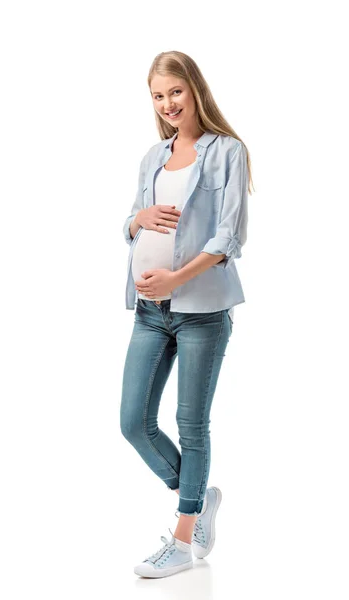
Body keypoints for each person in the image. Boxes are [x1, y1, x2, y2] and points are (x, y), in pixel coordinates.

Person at [120, 50, 254, 579]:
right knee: (133, 422)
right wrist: (137, 221)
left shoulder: (228, 152)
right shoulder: (153, 157)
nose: (167, 103)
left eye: (175, 91)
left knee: (190, 425)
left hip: (202, 310)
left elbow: (229, 237)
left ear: (194, 89)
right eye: (158, 95)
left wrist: (176, 278)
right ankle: (196, 499)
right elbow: (130, 222)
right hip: (149, 312)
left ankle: (182, 539)